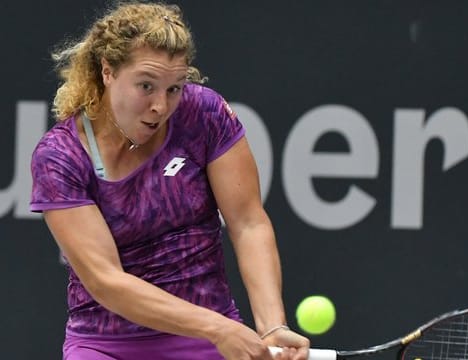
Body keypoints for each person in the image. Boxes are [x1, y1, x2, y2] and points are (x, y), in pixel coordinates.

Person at [30, 2, 310, 359]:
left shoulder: (204, 114)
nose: (160, 106)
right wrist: (216, 327)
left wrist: (272, 326)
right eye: (146, 86)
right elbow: (106, 281)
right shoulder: (60, 156)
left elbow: (248, 223)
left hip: (210, 340)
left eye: (174, 88)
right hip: (107, 345)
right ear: (107, 72)